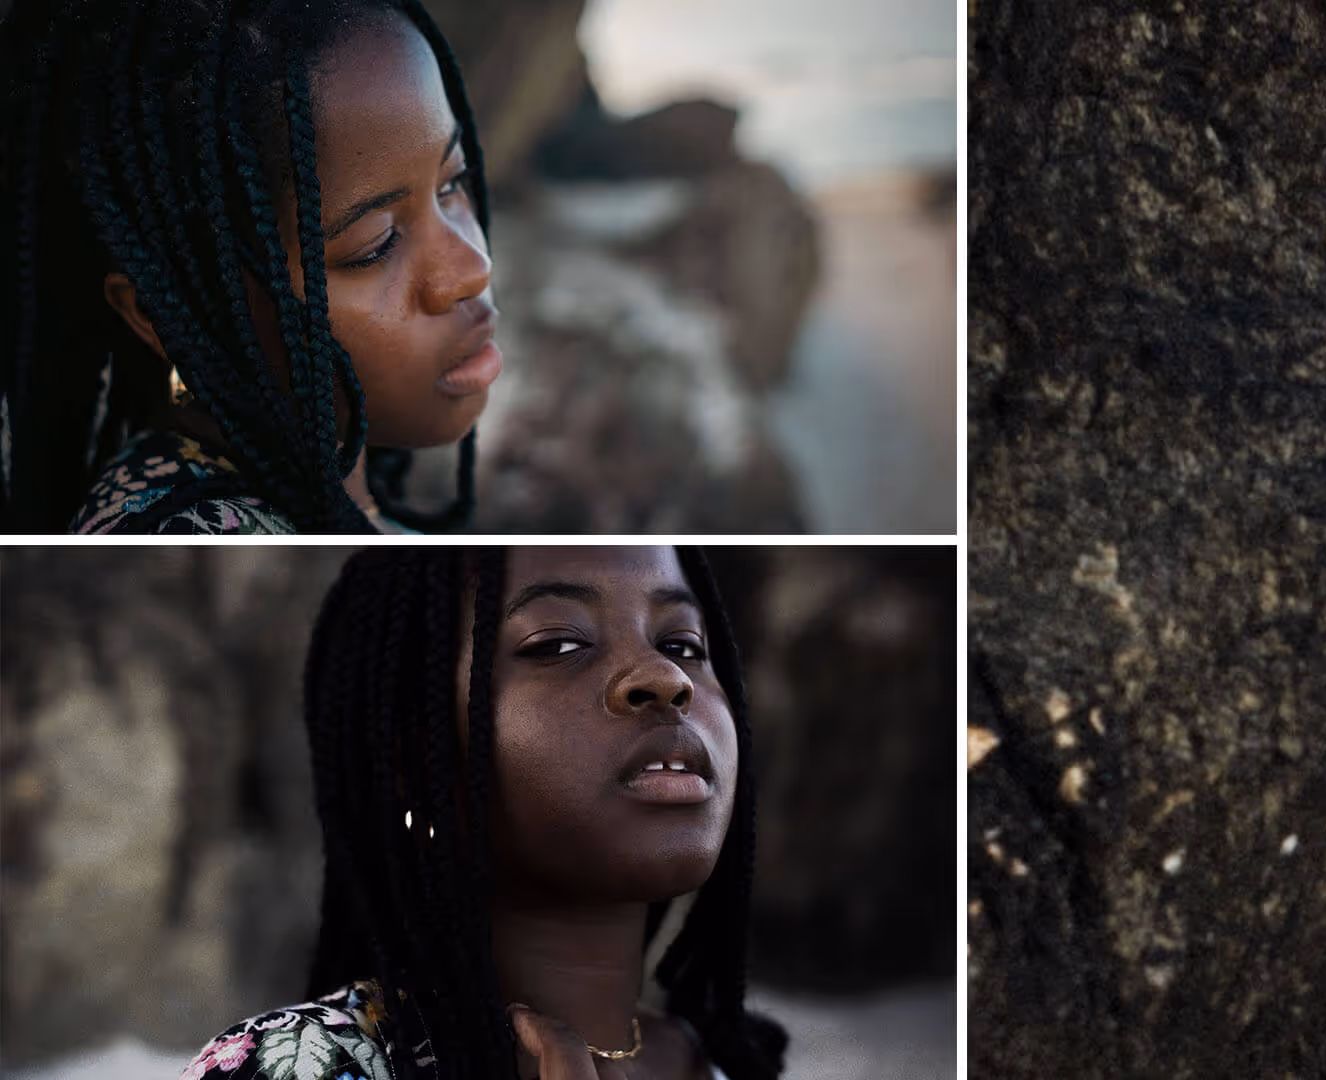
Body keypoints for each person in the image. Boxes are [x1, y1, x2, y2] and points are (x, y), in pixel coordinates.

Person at [180, 547, 787, 1080]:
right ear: (416, 755)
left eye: (683, 645)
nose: (666, 676)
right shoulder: (290, 1065)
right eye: (558, 644)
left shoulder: (729, 1061)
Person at [0, 0, 499, 533]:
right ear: (166, 314)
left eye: (451, 184)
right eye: (375, 246)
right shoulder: (181, 535)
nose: (474, 269)